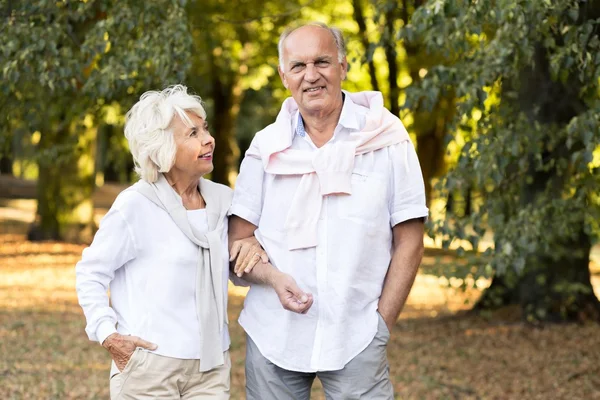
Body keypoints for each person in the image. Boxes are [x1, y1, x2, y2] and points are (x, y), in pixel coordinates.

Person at [228, 22, 429, 399]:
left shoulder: (386, 137)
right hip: (275, 335)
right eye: (299, 66)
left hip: (356, 335)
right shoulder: (265, 147)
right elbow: (238, 240)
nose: (311, 75)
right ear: (284, 75)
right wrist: (272, 278)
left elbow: (410, 240)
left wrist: (381, 325)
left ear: (343, 66)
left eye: (322, 62)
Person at [75, 85, 267, 399]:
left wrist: (254, 245)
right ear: (163, 149)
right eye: (192, 133)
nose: (208, 139)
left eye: (205, 128)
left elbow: (239, 261)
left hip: (211, 366)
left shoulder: (224, 201)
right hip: (149, 366)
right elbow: (90, 273)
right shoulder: (135, 205)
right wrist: (108, 334)